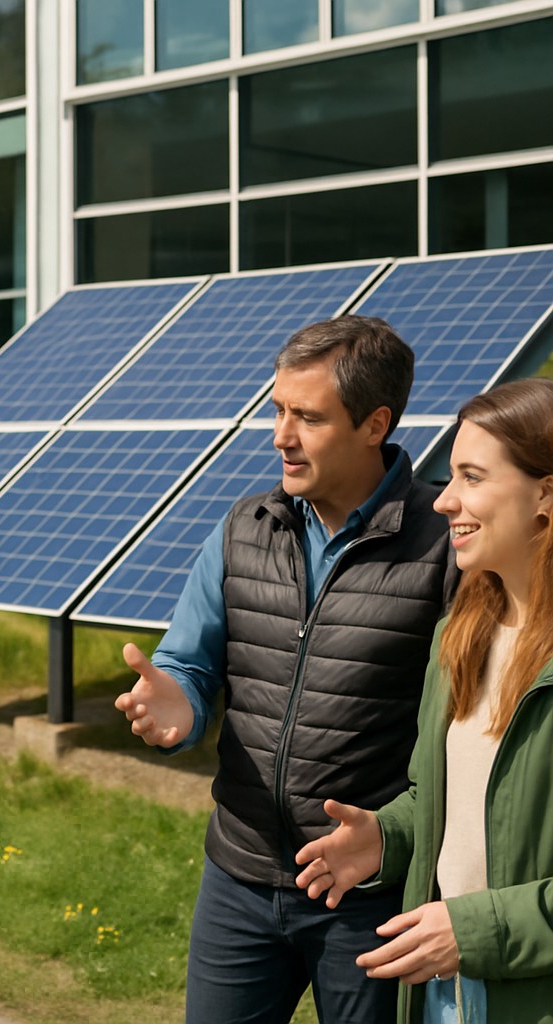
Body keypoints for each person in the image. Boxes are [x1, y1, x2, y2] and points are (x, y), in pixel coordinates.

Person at [115, 315, 459, 1024]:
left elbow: (466, 734)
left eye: (307, 417)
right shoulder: (245, 528)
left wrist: (392, 836)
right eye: (278, 410)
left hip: (369, 896)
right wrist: (177, 706)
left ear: (375, 424)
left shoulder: (442, 546)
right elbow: (188, 663)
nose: (280, 436)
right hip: (237, 878)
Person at [295, 377, 553, 1024]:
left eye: (472, 477)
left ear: (545, 495)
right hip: (445, 991)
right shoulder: (458, 636)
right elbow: (450, 799)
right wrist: (389, 835)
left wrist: (475, 931)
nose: (444, 502)